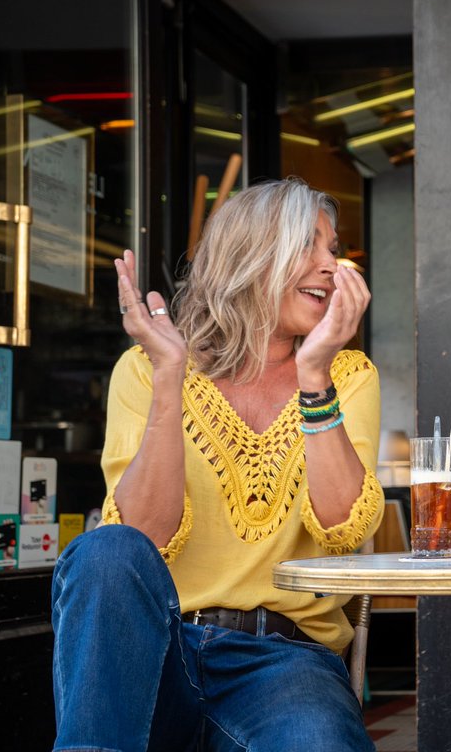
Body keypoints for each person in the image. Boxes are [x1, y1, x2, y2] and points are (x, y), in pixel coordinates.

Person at [51, 178, 383, 752]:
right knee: (107, 548)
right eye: (313, 245)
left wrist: (314, 376)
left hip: (285, 662)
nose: (333, 265)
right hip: (155, 652)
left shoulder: (346, 375)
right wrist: (169, 382)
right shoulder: (145, 368)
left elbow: (341, 528)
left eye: (334, 248)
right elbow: (143, 539)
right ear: (252, 256)